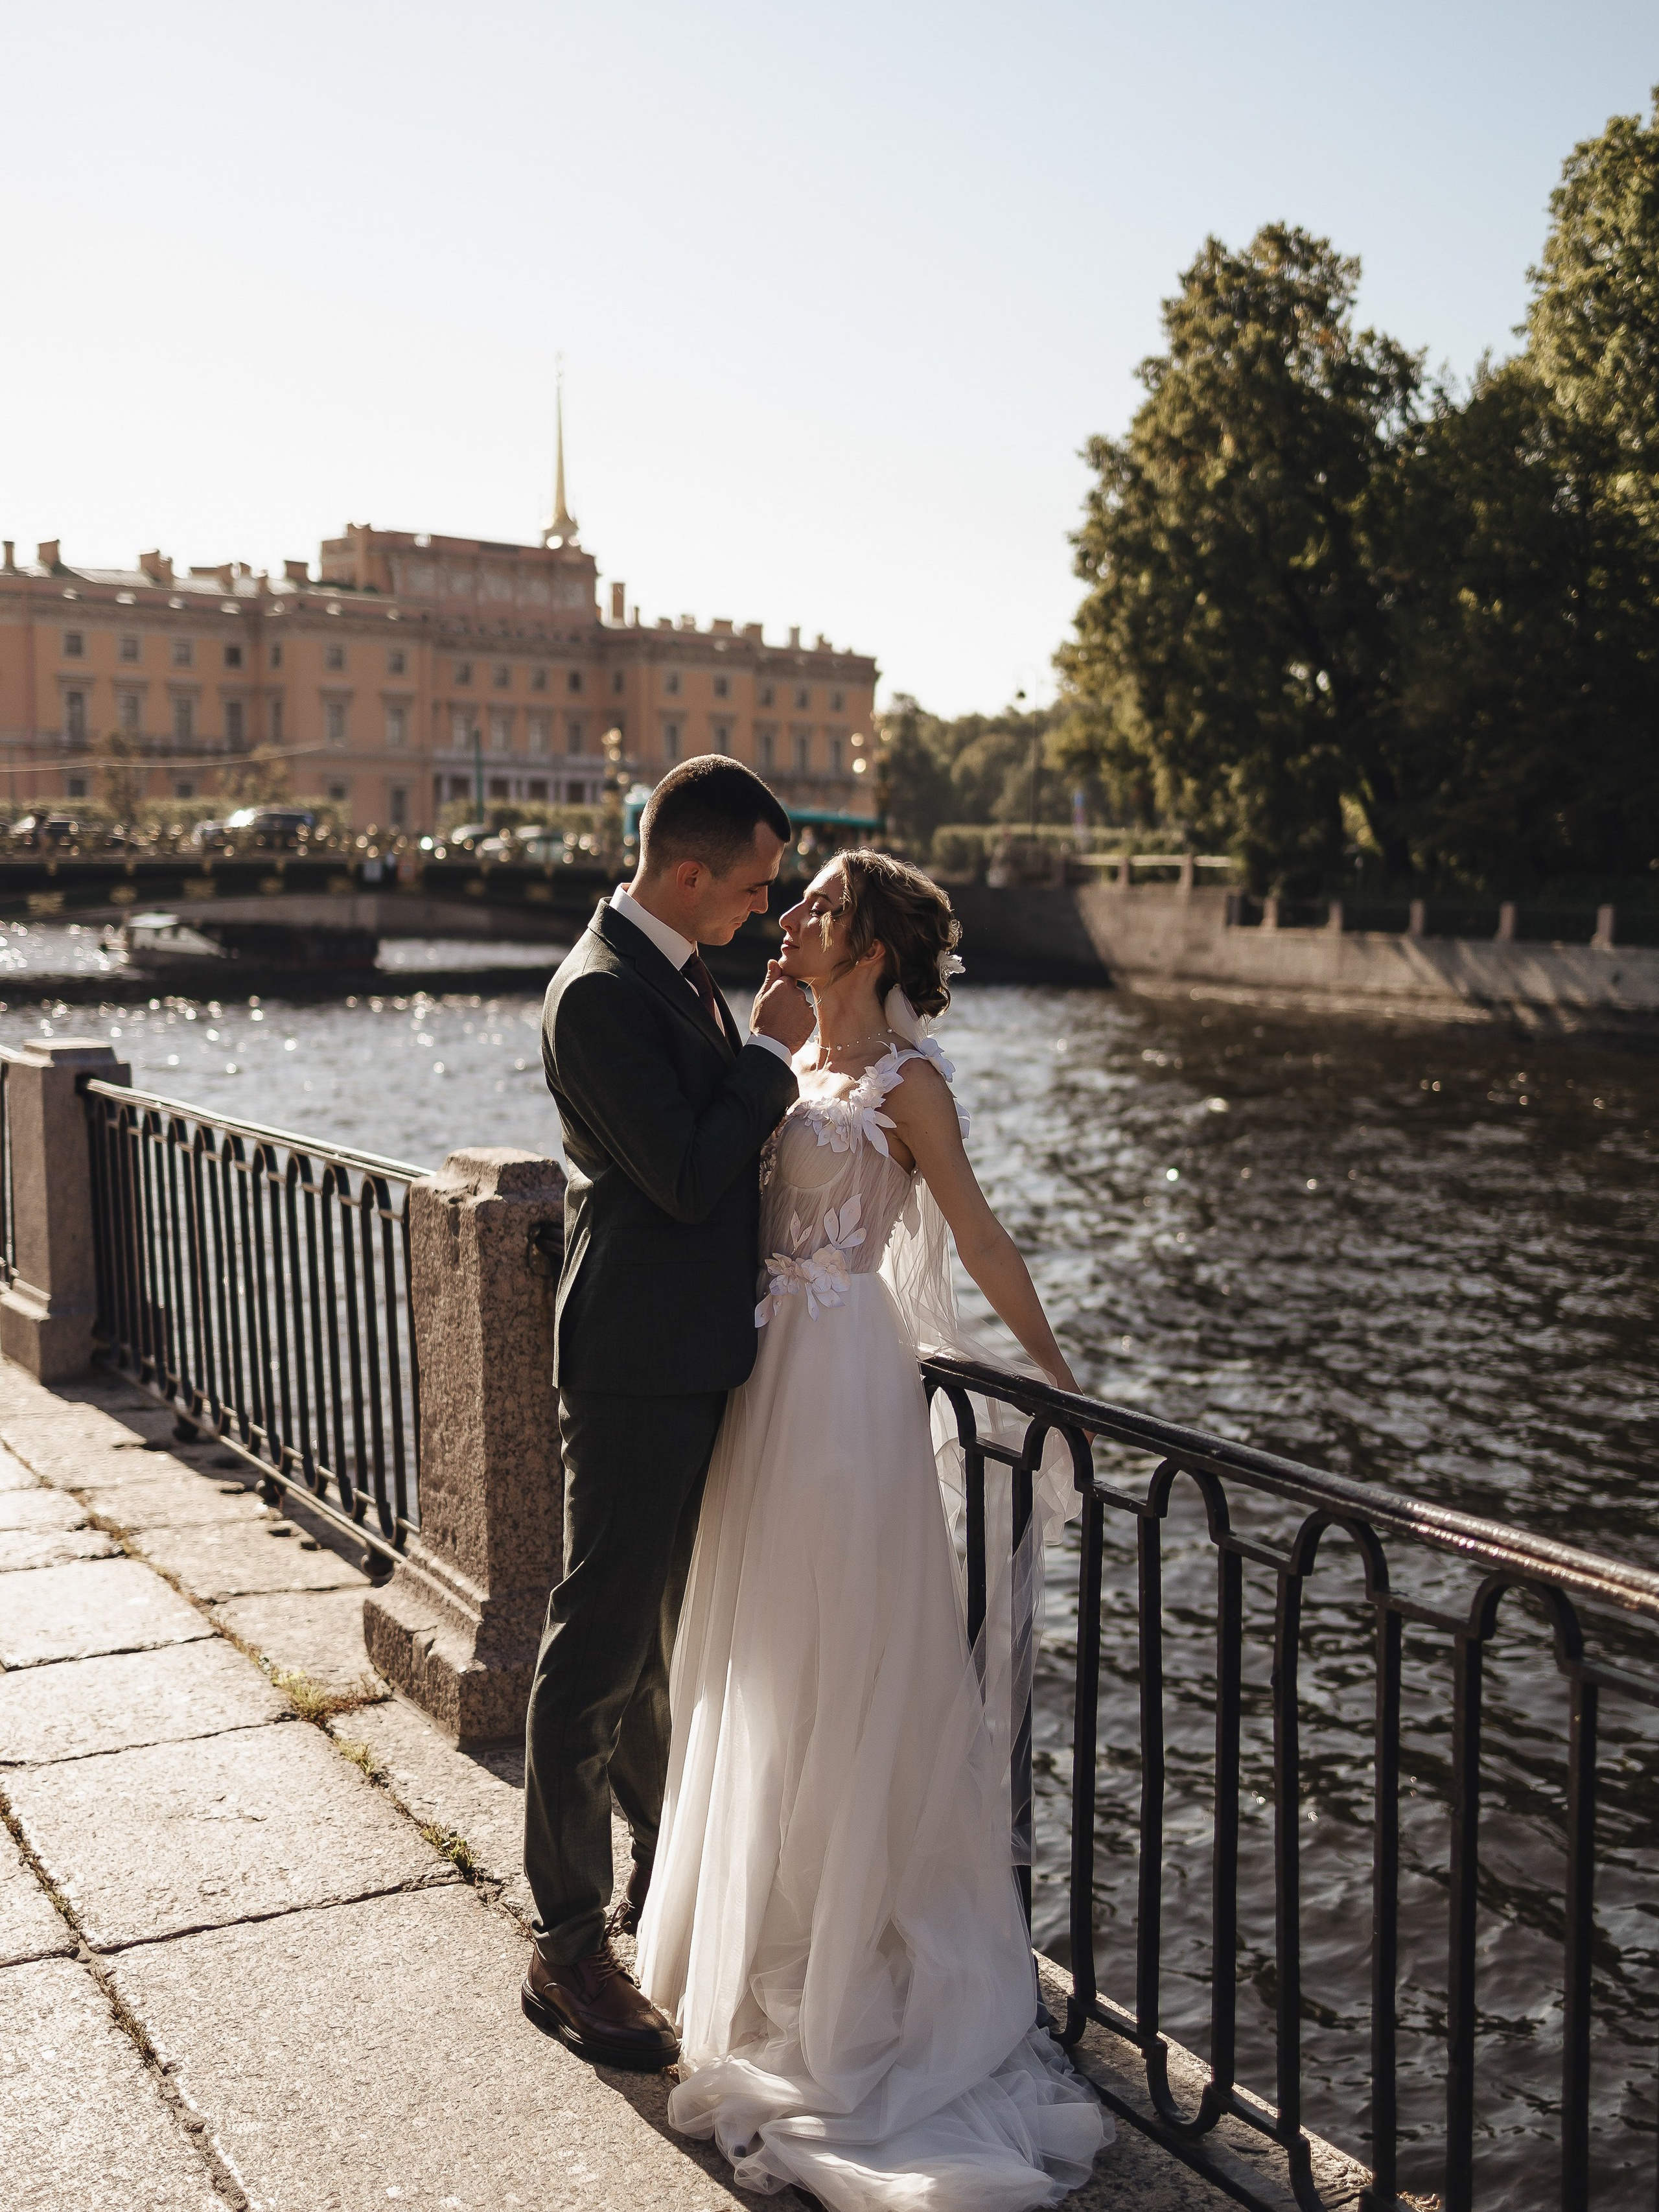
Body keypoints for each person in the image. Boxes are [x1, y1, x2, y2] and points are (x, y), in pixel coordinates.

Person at [634, 849, 1111, 2210]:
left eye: (819, 908)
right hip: (761, 1392)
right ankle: (769, 1944)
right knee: (756, 1660)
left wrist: (1060, 1382)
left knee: (847, 1669)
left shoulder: (911, 1090)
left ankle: (856, 1978)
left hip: (846, 1404)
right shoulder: (779, 1056)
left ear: (874, 951)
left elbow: (979, 1239)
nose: (789, 917)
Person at [520, 755, 815, 2069]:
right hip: (637, 1356)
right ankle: (567, 1943)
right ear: (686, 872)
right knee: (596, 1647)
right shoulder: (596, 994)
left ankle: (654, 1867)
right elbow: (692, 1174)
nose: (765, 910)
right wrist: (772, 1054)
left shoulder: (670, 961)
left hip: (686, 1348)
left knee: (648, 1642)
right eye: (754, 887)